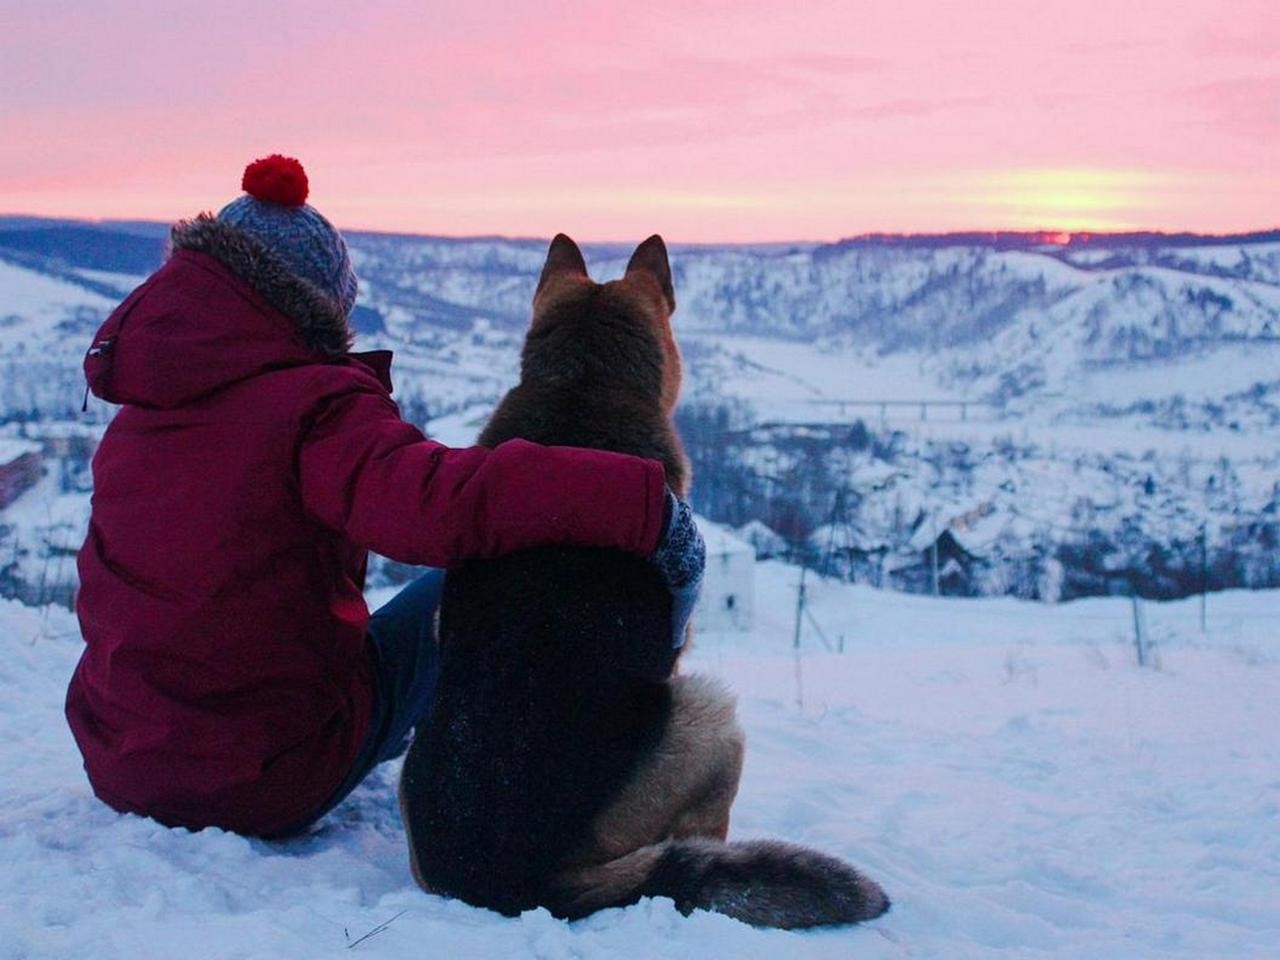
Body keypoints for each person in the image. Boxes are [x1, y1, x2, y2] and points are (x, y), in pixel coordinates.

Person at [65, 155, 705, 838]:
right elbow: (439, 507)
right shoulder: (314, 405)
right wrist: (638, 499)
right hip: (259, 778)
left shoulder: (142, 408)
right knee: (460, 581)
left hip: (119, 759)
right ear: (314, 302)